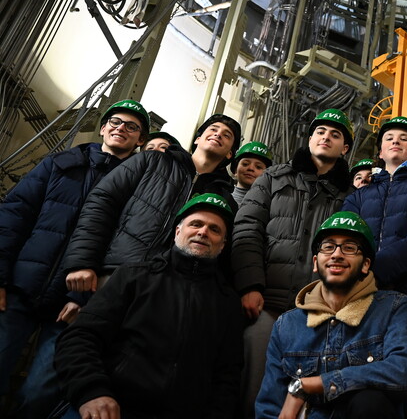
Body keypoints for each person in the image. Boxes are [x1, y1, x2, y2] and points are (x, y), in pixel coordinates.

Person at [0, 99, 147, 418]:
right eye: (116, 122)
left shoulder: (137, 189)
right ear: (104, 127)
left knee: (38, 394)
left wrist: (82, 296)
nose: (121, 128)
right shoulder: (61, 164)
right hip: (20, 289)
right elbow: (14, 216)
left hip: (72, 306)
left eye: (132, 127)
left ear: (140, 141)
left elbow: (121, 251)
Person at [54, 193, 243, 419]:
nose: (203, 232)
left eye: (214, 229)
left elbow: (227, 378)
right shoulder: (133, 277)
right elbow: (80, 337)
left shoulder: (228, 303)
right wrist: (91, 391)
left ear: (222, 245)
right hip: (108, 407)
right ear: (177, 232)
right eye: (196, 224)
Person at [232, 109, 353, 419]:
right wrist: (250, 285)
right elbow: (247, 228)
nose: (326, 136)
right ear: (310, 138)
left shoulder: (349, 196)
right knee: (252, 385)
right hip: (265, 303)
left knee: (303, 398)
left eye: (335, 134)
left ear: (345, 148)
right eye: (321, 131)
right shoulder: (274, 177)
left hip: (316, 312)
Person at [255, 211, 407, 419]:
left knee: (370, 401)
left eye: (349, 247)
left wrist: (311, 384)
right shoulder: (286, 325)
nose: (337, 254)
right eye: (328, 246)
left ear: (366, 265)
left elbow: (403, 373)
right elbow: (269, 406)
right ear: (315, 262)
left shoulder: (394, 308)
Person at [61, 113, 240, 293]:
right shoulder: (151, 161)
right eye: (214, 130)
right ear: (198, 139)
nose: (218, 134)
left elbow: (220, 254)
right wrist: (83, 262)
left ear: (230, 152)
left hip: (171, 291)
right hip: (115, 273)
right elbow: (102, 203)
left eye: (227, 135)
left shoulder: (225, 199)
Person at [341, 116, 407, 398]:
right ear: (379, 152)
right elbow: (345, 241)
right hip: (361, 308)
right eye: (389, 138)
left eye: (404, 138)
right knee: (358, 395)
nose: (395, 141)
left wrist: (369, 271)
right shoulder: (358, 197)